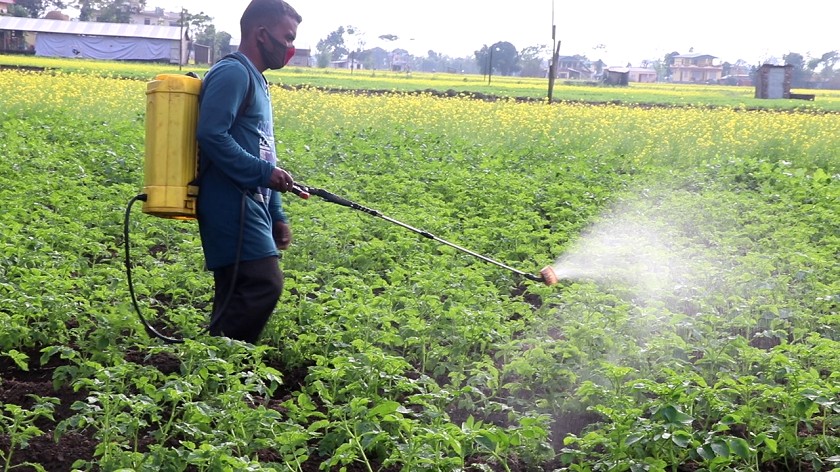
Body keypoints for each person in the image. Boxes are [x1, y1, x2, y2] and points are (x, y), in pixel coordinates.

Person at [195, 0, 302, 343]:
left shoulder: (256, 80)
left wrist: (277, 213)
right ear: (261, 33)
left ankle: (214, 377)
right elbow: (212, 133)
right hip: (230, 203)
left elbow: (263, 152)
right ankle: (222, 366)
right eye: (287, 38)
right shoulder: (234, 72)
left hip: (252, 202)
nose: (290, 47)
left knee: (237, 292)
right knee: (262, 284)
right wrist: (262, 174)